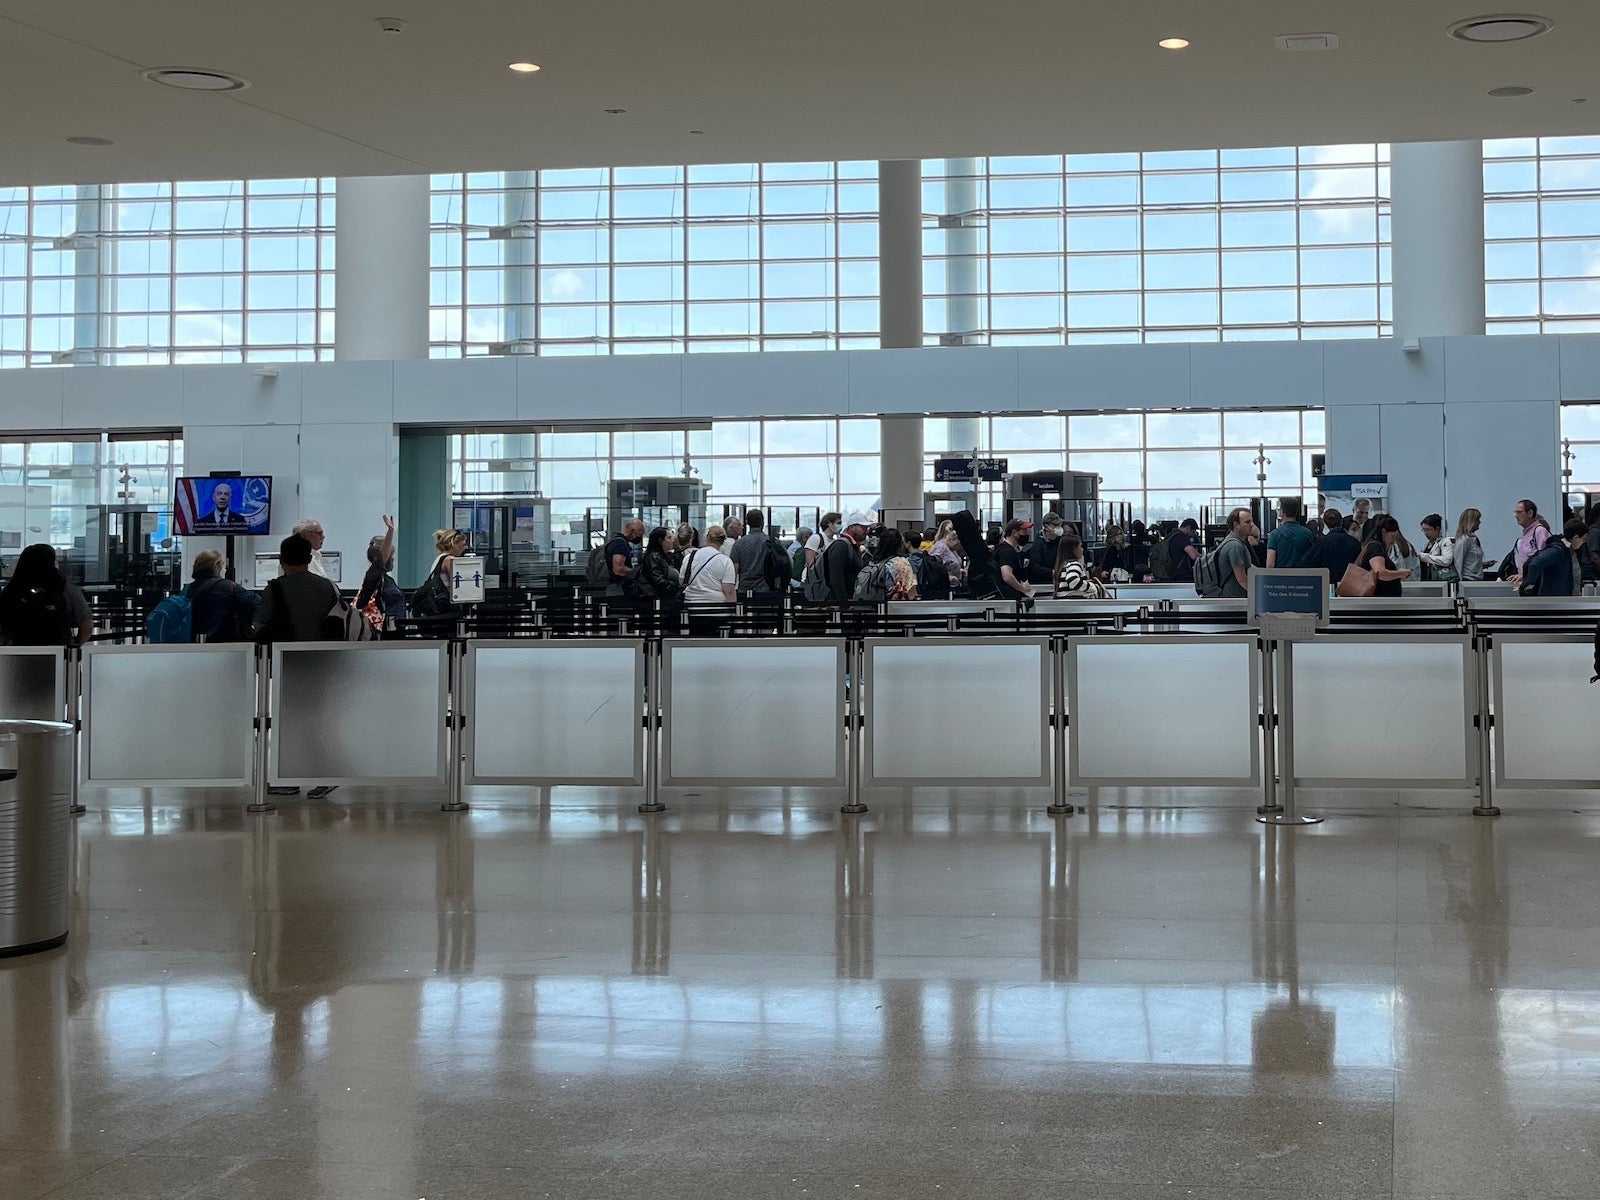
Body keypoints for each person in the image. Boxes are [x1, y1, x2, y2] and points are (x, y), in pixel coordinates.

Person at [254, 534, 343, 642]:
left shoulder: (273, 589)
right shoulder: (329, 587)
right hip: (323, 650)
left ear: (281, 560)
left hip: (284, 650)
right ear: (310, 559)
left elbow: (259, 624)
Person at [0, 544, 93, 646]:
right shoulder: (65, 588)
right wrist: (73, 647)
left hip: (19, 652)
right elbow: (86, 626)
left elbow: (3, 630)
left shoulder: (12, 588)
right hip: (58, 651)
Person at [185, 548, 260, 642]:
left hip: (191, 644)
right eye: (224, 565)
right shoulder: (229, 587)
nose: (224, 569)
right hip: (223, 644)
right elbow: (257, 605)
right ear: (217, 565)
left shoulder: (187, 589)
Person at [354, 516, 405, 633]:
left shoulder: (384, 578)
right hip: (383, 629)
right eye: (391, 556)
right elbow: (382, 558)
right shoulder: (374, 574)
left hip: (392, 627)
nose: (393, 559)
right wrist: (390, 531)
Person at [729, 507, 785, 601]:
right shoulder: (773, 542)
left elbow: (734, 571)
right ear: (762, 522)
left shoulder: (738, 544)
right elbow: (786, 564)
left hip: (745, 591)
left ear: (747, 523)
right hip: (767, 590)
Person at [1519, 518, 1584, 597]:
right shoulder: (1558, 551)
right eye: (1584, 539)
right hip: (1556, 599)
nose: (1583, 542)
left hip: (1563, 599)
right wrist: (1529, 585)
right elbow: (1535, 564)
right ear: (1576, 537)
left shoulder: (1567, 551)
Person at [682, 525, 737, 607]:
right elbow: (729, 590)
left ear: (707, 538)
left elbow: (682, 580)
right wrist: (733, 609)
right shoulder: (725, 561)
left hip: (691, 606)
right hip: (716, 607)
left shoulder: (690, 557)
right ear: (723, 541)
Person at [1358, 516, 1413, 598]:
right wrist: (1400, 573)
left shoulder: (1377, 547)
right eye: (1392, 536)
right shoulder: (1375, 547)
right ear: (1383, 532)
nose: (1394, 540)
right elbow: (1380, 572)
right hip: (1379, 600)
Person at [628, 526, 681, 610]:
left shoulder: (664, 557)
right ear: (660, 541)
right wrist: (676, 586)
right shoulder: (654, 557)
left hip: (665, 600)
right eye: (669, 538)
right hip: (657, 601)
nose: (672, 540)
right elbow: (658, 581)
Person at [822, 513, 870, 603]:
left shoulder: (852, 546)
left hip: (848, 599)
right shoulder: (841, 546)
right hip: (838, 601)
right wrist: (843, 604)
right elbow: (836, 578)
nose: (866, 531)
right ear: (852, 527)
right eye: (863, 527)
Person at [1208, 507, 1255, 598]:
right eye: (1247, 522)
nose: (1252, 525)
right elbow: (1242, 579)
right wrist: (1258, 593)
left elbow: (1247, 565)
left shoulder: (1235, 542)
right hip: (1234, 599)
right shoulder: (1235, 546)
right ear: (1236, 525)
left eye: (1251, 521)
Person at [1314, 508, 1362, 588]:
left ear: (1325, 523)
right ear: (1341, 522)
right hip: (1350, 585)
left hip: (1327, 584)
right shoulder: (1354, 542)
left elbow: (1311, 562)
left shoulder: (1322, 541)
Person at [1265, 497, 1316, 568]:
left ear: (1282, 512)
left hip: (1281, 574)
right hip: (1302, 574)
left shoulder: (1275, 534)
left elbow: (1270, 564)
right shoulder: (1308, 534)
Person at [1052, 532, 1105, 598]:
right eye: (1080, 546)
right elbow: (1073, 581)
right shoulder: (1074, 564)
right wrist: (1090, 587)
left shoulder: (1063, 565)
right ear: (1074, 549)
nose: (1082, 549)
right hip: (1073, 602)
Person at [995, 518, 1036, 604]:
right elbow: (1007, 576)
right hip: (1008, 599)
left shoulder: (1008, 550)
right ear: (1014, 532)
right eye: (1024, 531)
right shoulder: (1007, 552)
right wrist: (1022, 588)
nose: (1026, 534)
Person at [1509, 498, 1549, 582]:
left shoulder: (1540, 531)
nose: (1516, 516)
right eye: (1515, 512)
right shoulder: (1526, 534)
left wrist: (1526, 575)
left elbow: (1544, 559)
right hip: (1526, 581)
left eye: (1519, 512)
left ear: (1530, 513)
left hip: (1536, 582)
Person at [604, 519, 644, 598]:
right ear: (633, 531)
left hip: (613, 586)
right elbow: (618, 569)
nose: (640, 537)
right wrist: (635, 572)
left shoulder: (615, 541)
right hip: (618, 587)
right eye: (640, 534)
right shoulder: (621, 544)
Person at [1027, 513, 1065, 584]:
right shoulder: (1039, 544)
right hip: (1043, 582)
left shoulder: (1061, 542)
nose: (1058, 528)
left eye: (1059, 525)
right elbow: (1035, 567)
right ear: (1046, 527)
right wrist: (1052, 572)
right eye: (1055, 525)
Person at [1418, 514, 1456, 582]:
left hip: (1440, 581)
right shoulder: (1425, 546)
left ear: (1437, 529)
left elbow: (1446, 561)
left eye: (1429, 529)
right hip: (1426, 580)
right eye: (1424, 530)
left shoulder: (1445, 542)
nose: (1426, 533)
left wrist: (1425, 557)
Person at [1452, 508, 1485, 581]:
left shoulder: (1473, 539)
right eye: (1477, 520)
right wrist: (1460, 582)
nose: (1479, 522)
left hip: (1476, 579)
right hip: (1468, 579)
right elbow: (1458, 561)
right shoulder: (1464, 540)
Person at [929, 522, 965, 591]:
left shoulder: (952, 549)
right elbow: (931, 568)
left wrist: (960, 571)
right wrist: (948, 577)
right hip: (942, 588)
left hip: (953, 586)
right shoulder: (940, 547)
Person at [1165, 518, 1201, 584]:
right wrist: (1204, 557)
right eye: (1193, 532)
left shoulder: (1170, 536)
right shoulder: (1183, 537)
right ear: (1188, 528)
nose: (1192, 535)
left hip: (1170, 572)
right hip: (1182, 574)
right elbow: (1193, 556)